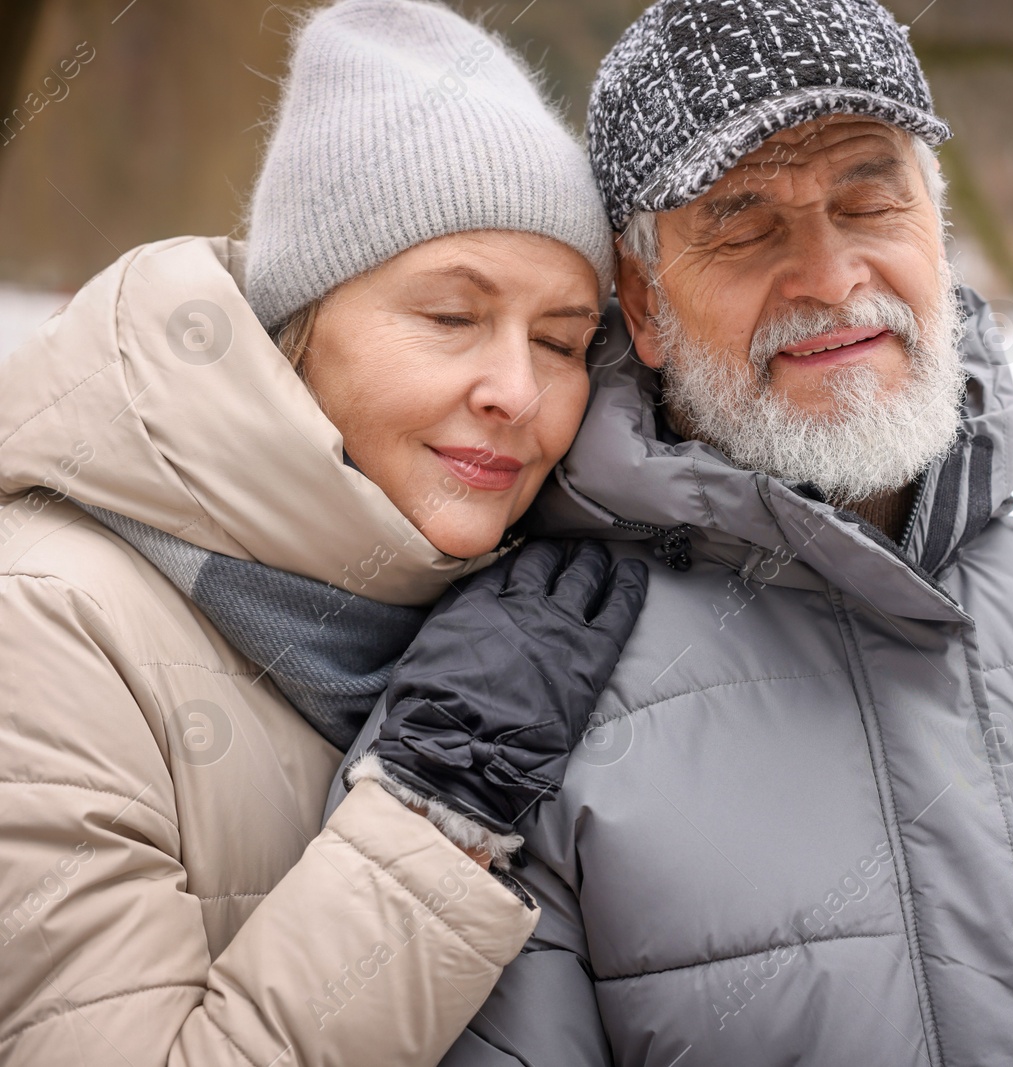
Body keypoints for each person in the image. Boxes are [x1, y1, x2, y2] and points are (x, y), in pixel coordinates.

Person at [398, 1, 1013, 1064]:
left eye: (870, 202)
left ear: (936, 228)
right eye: (744, 226)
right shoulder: (506, 708)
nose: (832, 280)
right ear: (643, 303)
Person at [0, 2, 644, 1064]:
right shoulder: (44, 622)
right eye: (450, 317)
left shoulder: (511, 612)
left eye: (563, 340)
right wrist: (435, 815)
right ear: (295, 328)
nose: (516, 391)